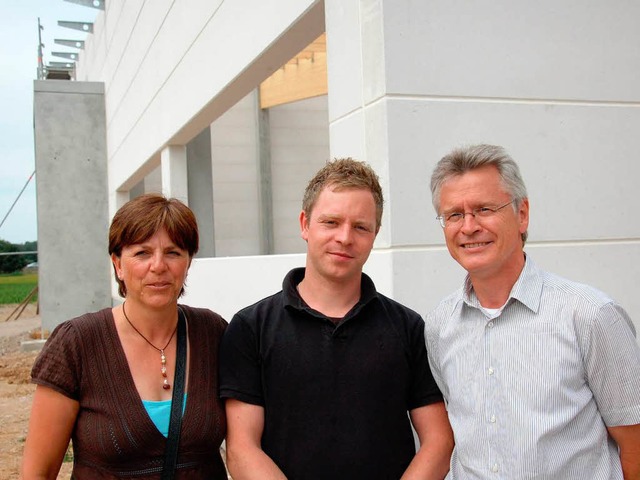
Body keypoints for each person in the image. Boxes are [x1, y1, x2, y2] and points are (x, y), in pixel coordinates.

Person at [219, 158, 454, 480]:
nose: (345, 238)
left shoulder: (408, 328)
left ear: (375, 234)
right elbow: (242, 448)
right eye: (331, 222)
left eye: (360, 226)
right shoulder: (251, 328)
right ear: (305, 223)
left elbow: (439, 441)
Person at [425, 144, 640, 479]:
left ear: (522, 213)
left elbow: (634, 444)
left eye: (484, 209)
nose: (468, 227)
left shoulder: (590, 315)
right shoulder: (440, 324)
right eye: (454, 214)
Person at [21, 194, 228, 479]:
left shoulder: (213, 333)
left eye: (173, 252)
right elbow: (38, 472)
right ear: (118, 264)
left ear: (188, 262)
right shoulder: (78, 342)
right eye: (142, 253)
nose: (158, 266)